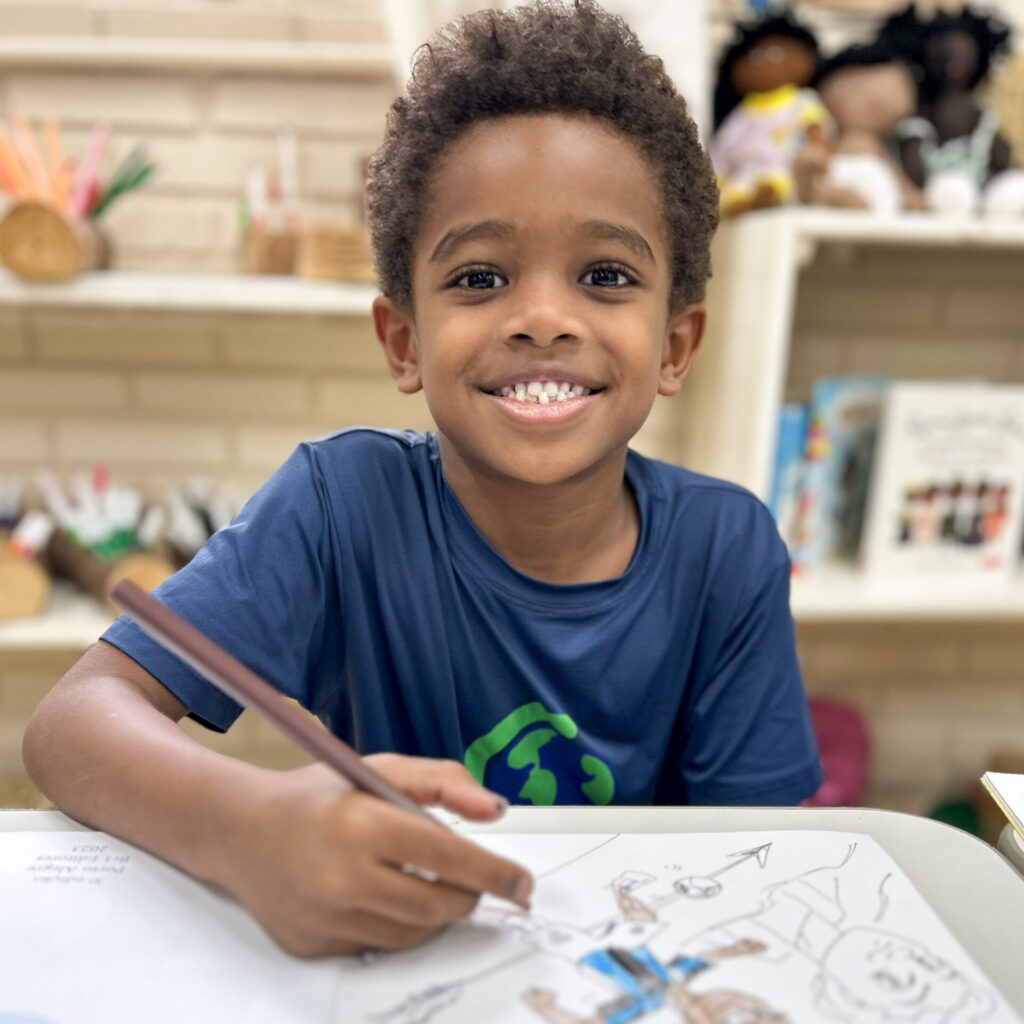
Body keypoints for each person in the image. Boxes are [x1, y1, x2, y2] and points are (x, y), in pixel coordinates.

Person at [23, 0, 821, 961]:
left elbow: (762, 857)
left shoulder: (726, 548)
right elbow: (72, 725)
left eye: (606, 276)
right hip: (399, 964)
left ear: (675, 345)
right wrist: (247, 826)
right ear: (402, 341)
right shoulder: (339, 505)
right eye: (480, 278)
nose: (541, 318)